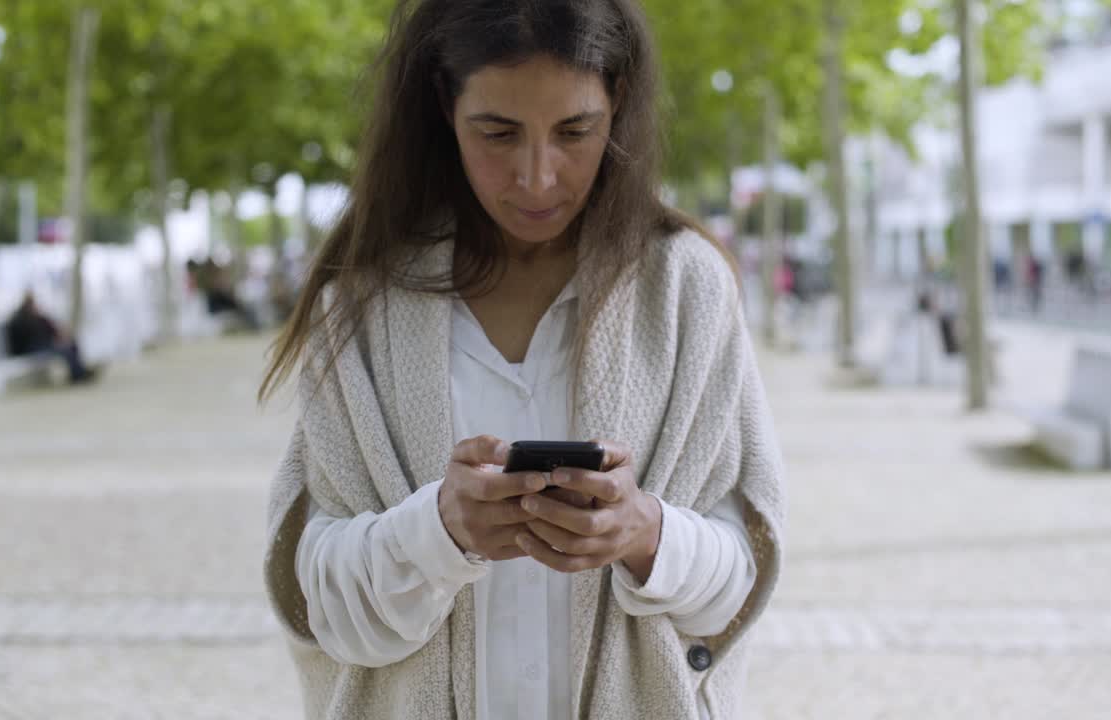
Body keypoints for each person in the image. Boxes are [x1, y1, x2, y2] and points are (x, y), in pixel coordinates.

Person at [258, 1, 785, 718]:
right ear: (445, 104)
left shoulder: (687, 288)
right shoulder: (361, 299)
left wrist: (643, 532)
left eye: (575, 131)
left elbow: (738, 586)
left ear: (618, 102)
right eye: (498, 133)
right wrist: (437, 531)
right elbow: (320, 606)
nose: (538, 178)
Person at [3, 291, 97, 384]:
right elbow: (24, 339)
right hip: (31, 348)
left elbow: (52, 329)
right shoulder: (20, 319)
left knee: (71, 344)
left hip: (44, 344)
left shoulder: (38, 317)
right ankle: (78, 374)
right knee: (65, 350)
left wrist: (60, 336)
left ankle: (79, 371)